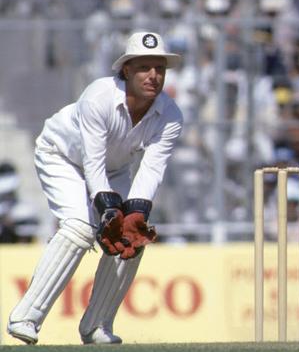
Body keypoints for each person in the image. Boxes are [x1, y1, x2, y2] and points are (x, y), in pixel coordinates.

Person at [6, 32, 183, 345]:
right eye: (144, 67)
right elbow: (92, 161)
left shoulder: (170, 114)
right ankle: (26, 317)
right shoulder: (98, 96)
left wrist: (136, 211)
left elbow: (152, 168)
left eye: (159, 68)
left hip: (114, 170)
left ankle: (96, 327)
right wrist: (109, 207)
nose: (153, 76)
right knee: (78, 229)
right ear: (126, 70)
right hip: (61, 156)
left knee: (130, 238)